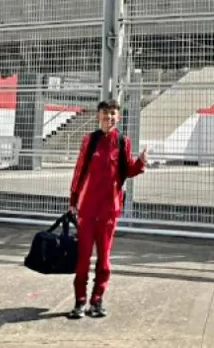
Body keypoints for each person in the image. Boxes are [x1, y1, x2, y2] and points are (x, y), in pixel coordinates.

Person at [67, 100, 147, 319]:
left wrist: (140, 163)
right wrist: (73, 198)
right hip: (87, 208)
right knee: (83, 259)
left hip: (109, 210)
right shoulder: (89, 141)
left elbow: (127, 170)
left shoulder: (123, 142)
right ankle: (80, 301)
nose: (109, 117)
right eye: (105, 113)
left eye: (113, 114)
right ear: (98, 116)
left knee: (104, 259)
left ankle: (97, 300)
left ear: (118, 117)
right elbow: (79, 170)